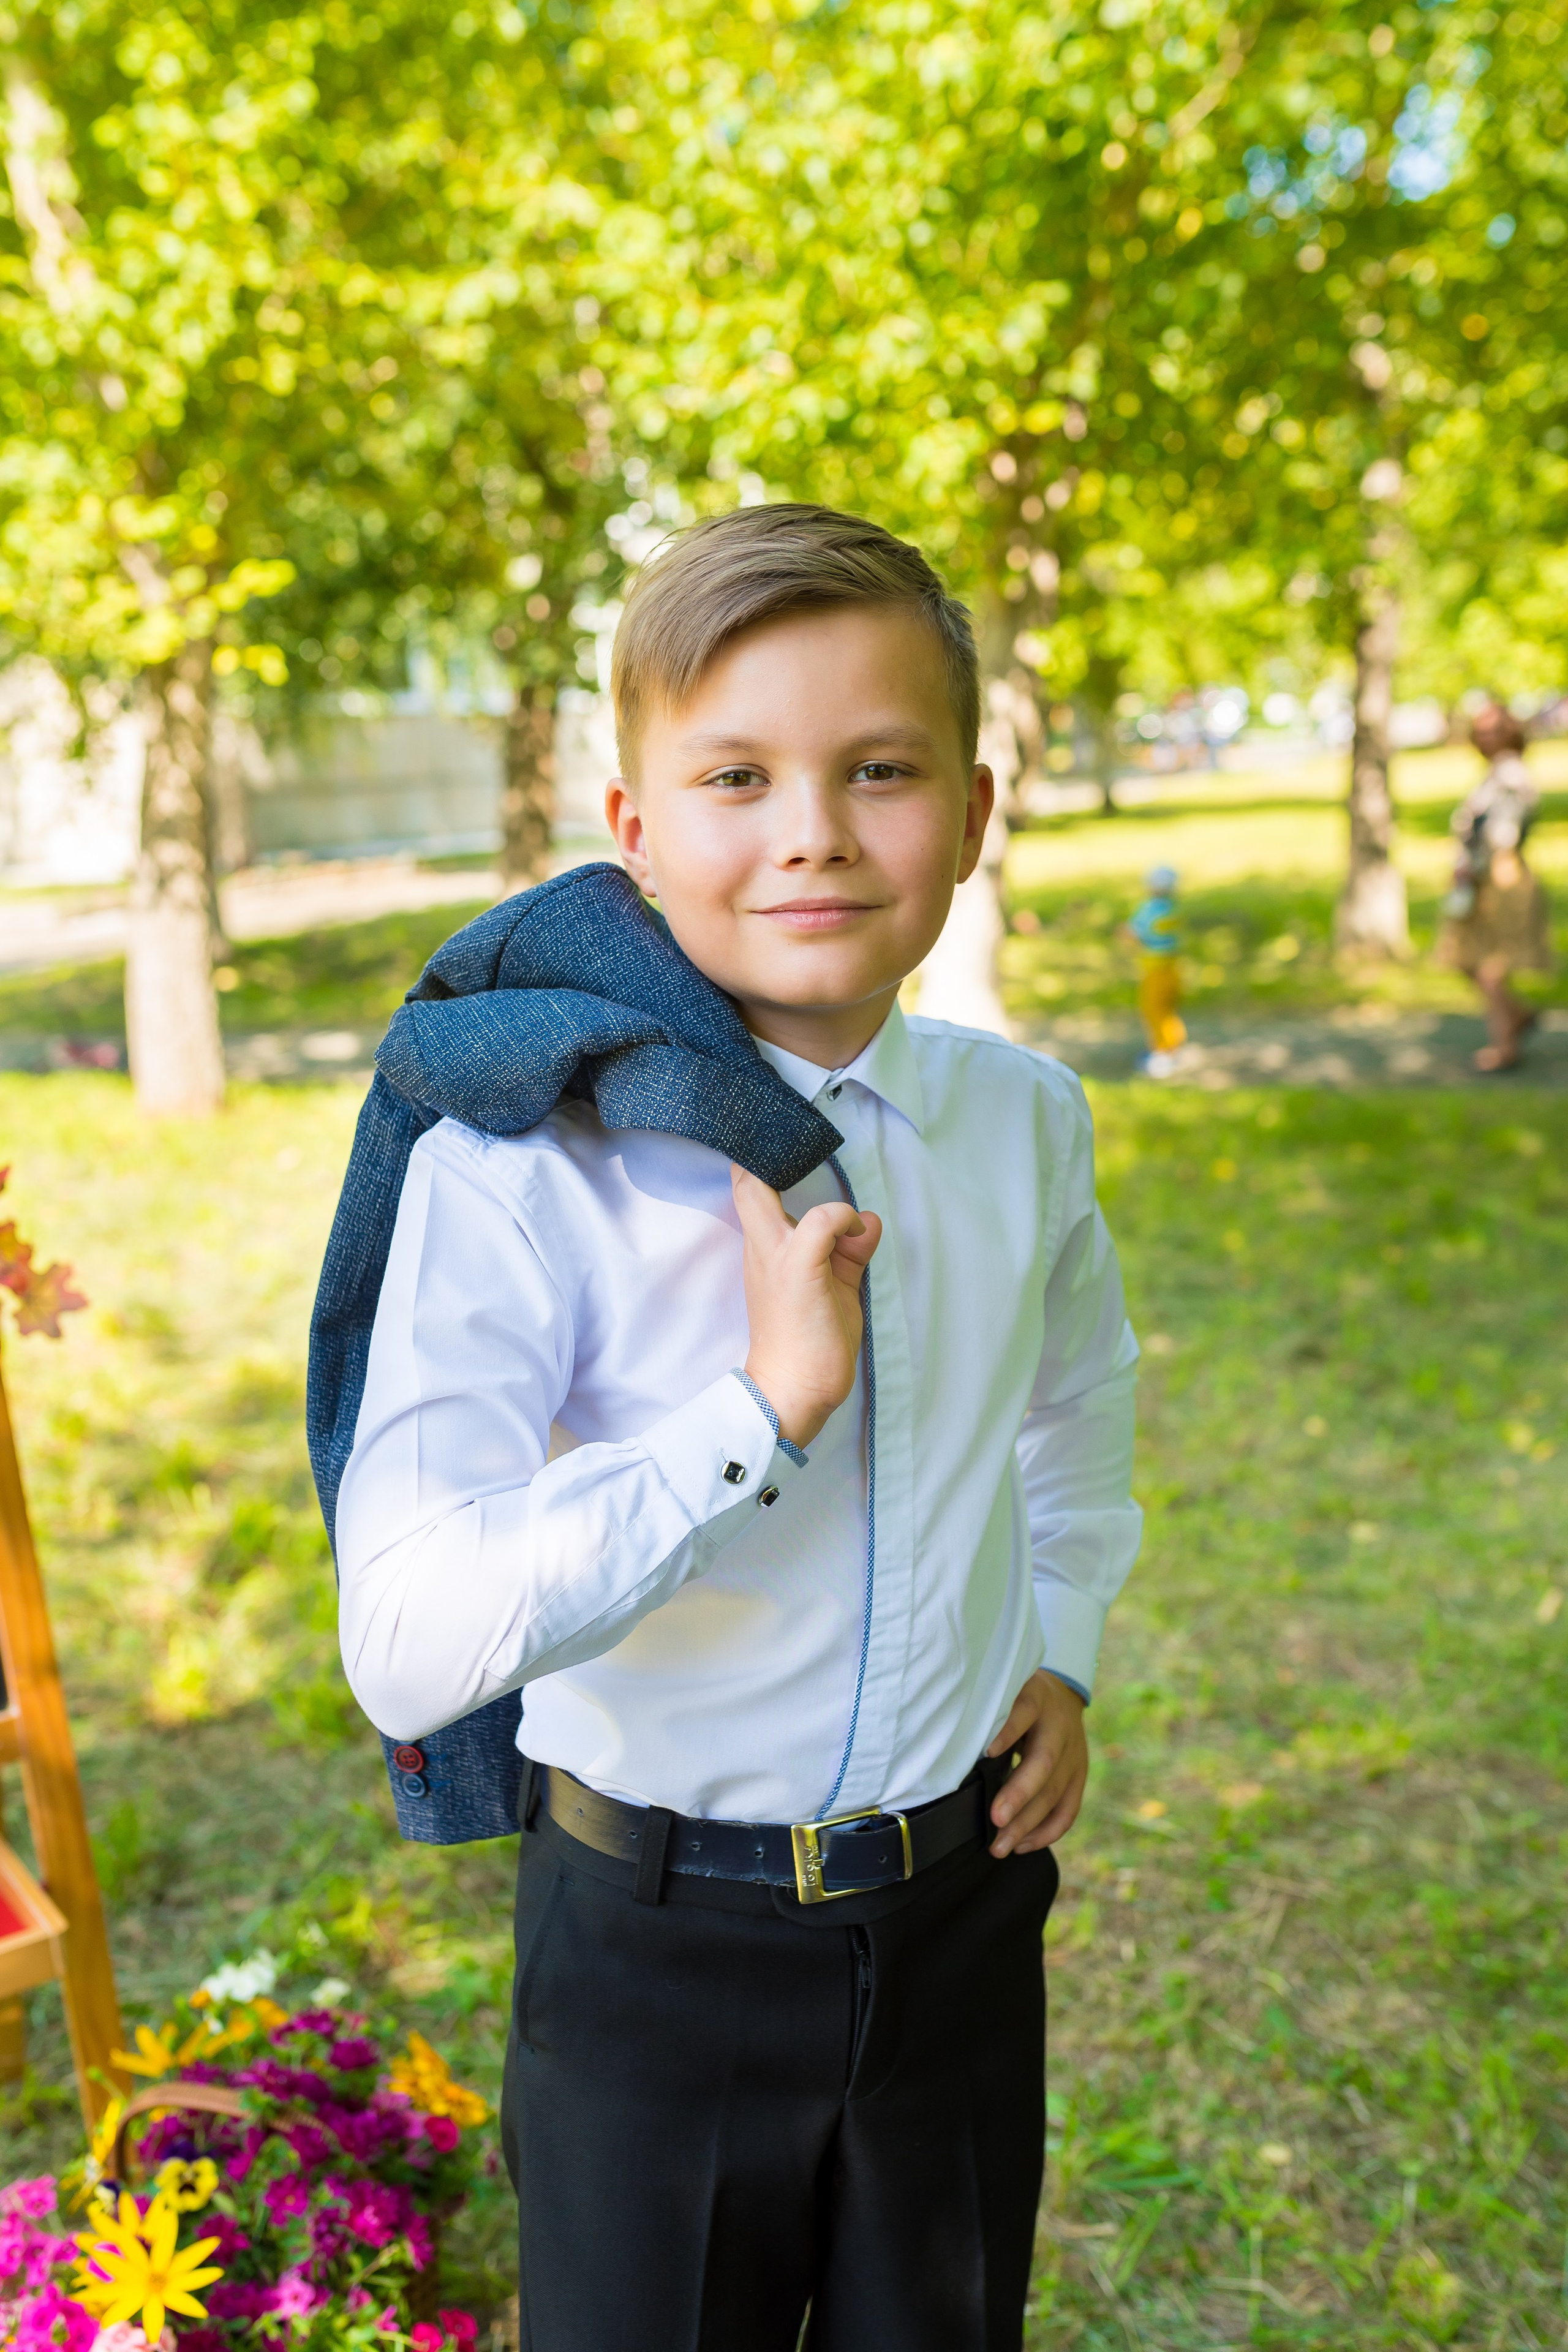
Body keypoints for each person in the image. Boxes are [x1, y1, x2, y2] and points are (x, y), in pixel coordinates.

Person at [329, 505, 1141, 2352]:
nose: (813, 832)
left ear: (975, 806)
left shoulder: (1021, 1120)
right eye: (735, 774)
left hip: (951, 1921)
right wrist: (753, 1409)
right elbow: (403, 1640)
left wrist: (1062, 1645)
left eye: (879, 770)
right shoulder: (523, 1168)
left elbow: (1073, 1401)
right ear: (634, 832)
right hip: (656, 1945)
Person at [1437, 703, 1552, 1072]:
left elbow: (1502, 834)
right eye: (1482, 731)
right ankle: (1516, 1017)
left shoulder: (1511, 776)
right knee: (1465, 956)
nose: (1487, 738)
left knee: (1491, 964)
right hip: (1481, 875)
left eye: (1495, 730)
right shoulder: (1494, 774)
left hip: (1499, 876)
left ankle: (1505, 1045)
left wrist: (1474, 867)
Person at [1124, 863, 1186, 1076]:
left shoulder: (1149, 909)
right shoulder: (1172, 908)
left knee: (1153, 1010)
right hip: (1173, 966)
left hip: (1154, 970)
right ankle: (1173, 1048)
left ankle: (1161, 1054)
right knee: (1168, 1009)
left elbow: (1133, 933)